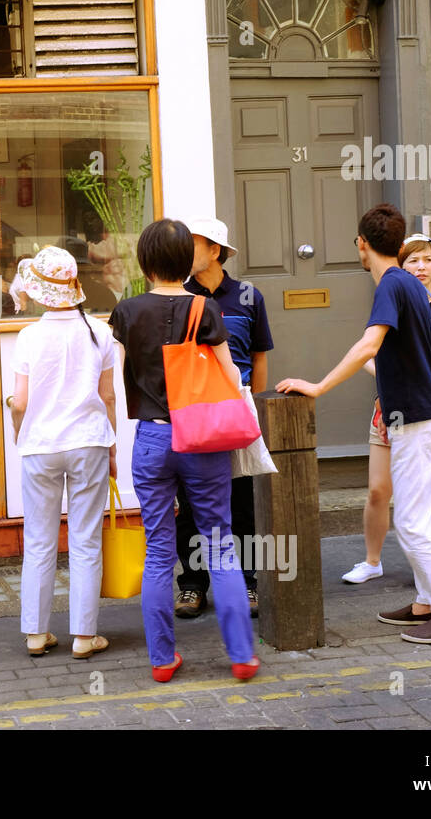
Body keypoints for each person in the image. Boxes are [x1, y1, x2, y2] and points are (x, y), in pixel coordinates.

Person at [278, 205, 431, 644]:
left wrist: (319, 385)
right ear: (401, 247)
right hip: (430, 415)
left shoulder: (391, 284)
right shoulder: (409, 284)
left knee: (411, 522)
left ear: (362, 246)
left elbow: (369, 344)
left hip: (418, 420)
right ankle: (427, 603)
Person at [109, 219, 259, 682]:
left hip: (151, 439)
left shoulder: (126, 312)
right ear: (184, 261)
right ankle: (241, 656)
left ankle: (162, 659)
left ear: (145, 262)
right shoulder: (205, 309)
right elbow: (231, 375)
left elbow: (116, 384)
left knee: (158, 551)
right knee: (219, 547)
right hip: (201, 438)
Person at [8, 247, 118, 660]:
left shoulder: (29, 336)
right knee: (86, 540)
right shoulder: (100, 331)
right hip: (88, 441)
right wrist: (112, 447)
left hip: (41, 446)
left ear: (38, 293)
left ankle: (36, 635)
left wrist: (22, 435)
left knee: (38, 540)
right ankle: (84, 637)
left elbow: (19, 403)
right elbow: (107, 396)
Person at [343, 232, 431, 584]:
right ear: (400, 262)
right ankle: (372, 560)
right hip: (389, 406)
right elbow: (370, 353)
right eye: (413, 260)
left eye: (427, 260)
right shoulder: (392, 295)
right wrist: (389, 383)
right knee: (379, 489)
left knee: (428, 502)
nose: (421, 267)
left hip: (429, 412)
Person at [174, 218, 273, 619]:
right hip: (195, 415)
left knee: (243, 502)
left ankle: (249, 582)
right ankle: (193, 586)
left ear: (215, 250)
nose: (185, 253)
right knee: (192, 504)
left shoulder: (249, 296)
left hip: (238, 413)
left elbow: (260, 356)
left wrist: (259, 408)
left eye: (192, 245)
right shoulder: (179, 297)